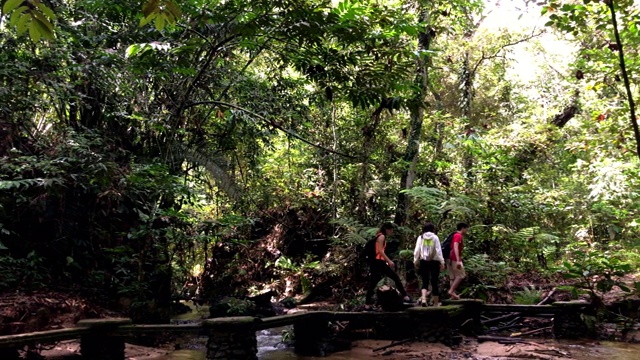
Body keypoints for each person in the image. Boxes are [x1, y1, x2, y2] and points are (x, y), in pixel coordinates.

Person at [365, 222, 412, 309]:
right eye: (391, 230)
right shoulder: (381, 236)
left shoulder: (379, 236)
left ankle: (367, 305)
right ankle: (405, 296)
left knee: (373, 283)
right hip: (379, 262)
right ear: (387, 229)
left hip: (376, 263)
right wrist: (389, 261)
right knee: (395, 277)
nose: (391, 231)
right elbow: (380, 251)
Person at [413, 222, 445, 307]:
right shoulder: (435, 237)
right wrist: (442, 262)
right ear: (432, 229)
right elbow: (438, 250)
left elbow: (417, 250)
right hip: (434, 262)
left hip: (423, 261)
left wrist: (415, 261)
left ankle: (423, 299)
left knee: (425, 281)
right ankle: (435, 303)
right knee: (434, 282)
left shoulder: (421, 237)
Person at [447, 222, 469, 300]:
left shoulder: (454, 235)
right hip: (454, 258)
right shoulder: (458, 236)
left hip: (449, 258)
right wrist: (458, 260)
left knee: (453, 277)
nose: (467, 230)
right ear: (462, 228)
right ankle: (451, 291)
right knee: (461, 275)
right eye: (466, 228)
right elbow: (455, 247)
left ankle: (453, 296)